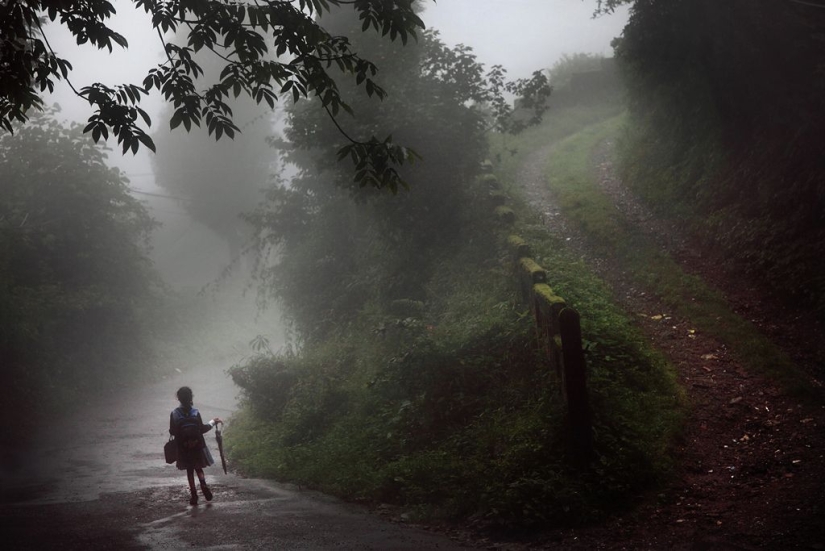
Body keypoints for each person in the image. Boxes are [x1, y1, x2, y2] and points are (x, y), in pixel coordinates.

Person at [169, 386, 222, 505]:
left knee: (189, 470)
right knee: (199, 468)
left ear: (178, 398)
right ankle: (203, 484)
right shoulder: (195, 412)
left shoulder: (175, 413)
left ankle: (194, 495)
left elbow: (172, 431)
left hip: (184, 447)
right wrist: (213, 422)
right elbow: (202, 429)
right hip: (197, 445)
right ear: (191, 397)